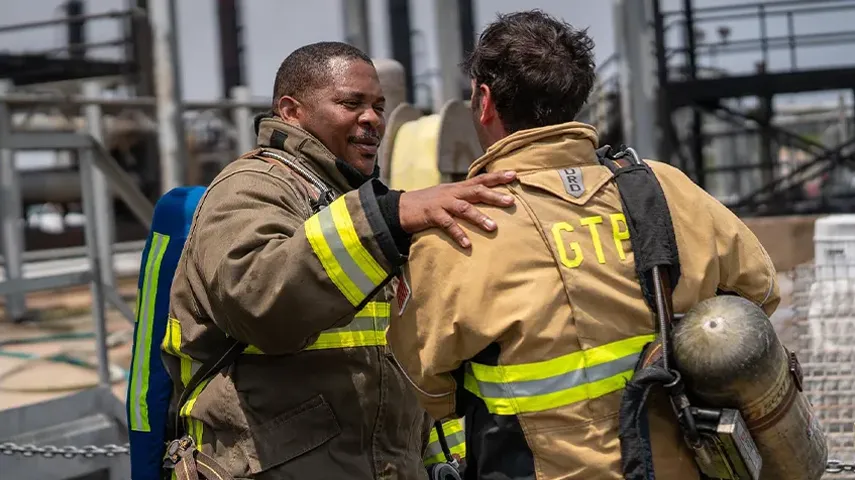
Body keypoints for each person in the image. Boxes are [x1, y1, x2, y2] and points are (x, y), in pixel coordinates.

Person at [385, 10, 781, 480]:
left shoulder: (459, 231)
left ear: (484, 101)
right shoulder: (666, 189)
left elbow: (427, 385)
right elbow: (759, 294)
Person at [160, 41, 515, 480]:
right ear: (291, 111)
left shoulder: (354, 200)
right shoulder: (251, 187)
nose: (373, 119)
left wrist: (446, 461)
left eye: (379, 106)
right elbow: (259, 301)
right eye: (351, 103)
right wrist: (386, 220)